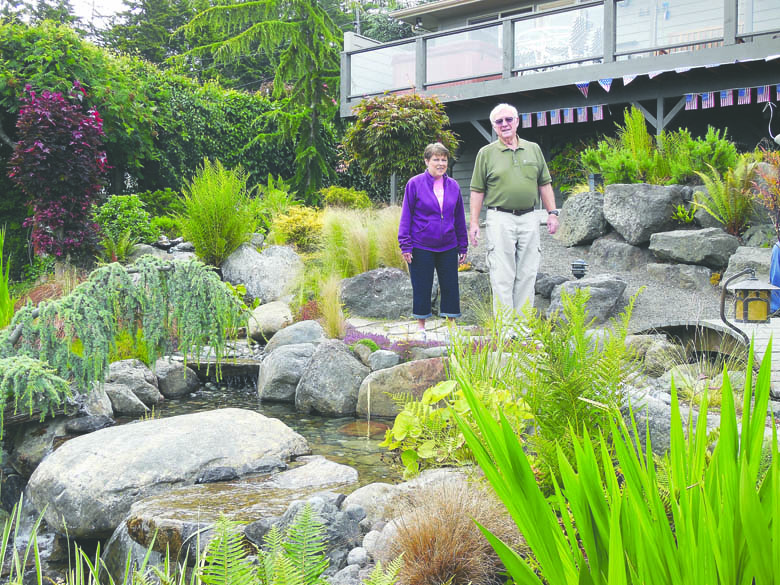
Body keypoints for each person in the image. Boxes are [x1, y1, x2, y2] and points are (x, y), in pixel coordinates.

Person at [469, 103, 559, 317]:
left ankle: (522, 327)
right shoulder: (486, 153)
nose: (505, 124)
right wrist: (473, 222)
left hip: (530, 217)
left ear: (517, 121)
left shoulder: (533, 149)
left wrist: (552, 213)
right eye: (499, 121)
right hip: (500, 218)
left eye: (509, 119)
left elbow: (544, 184)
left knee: (527, 273)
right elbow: (477, 191)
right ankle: (506, 330)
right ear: (494, 126)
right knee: (502, 274)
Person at [398, 142, 468, 339]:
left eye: (444, 159)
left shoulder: (453, 186)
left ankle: (451, 328)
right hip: (421, 244)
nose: (440, 163)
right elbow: (406, 216)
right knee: (422, 286)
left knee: (450, 286)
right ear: (427, 161)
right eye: (436, 159)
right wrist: (405, 244)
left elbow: (459, 217)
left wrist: (463, 245)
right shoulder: (414, 184)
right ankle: (421, 328)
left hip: (448, 245)